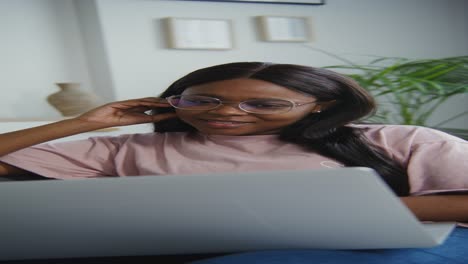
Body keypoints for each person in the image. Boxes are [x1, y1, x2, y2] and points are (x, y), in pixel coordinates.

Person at [0, 62, 467, 263]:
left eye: (262, 105)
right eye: (203, 100)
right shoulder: (125, 150)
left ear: (320, 106)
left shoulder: (400, 139)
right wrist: (85, 122)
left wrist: (353, 211)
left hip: (387, 248)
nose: (224, 113)